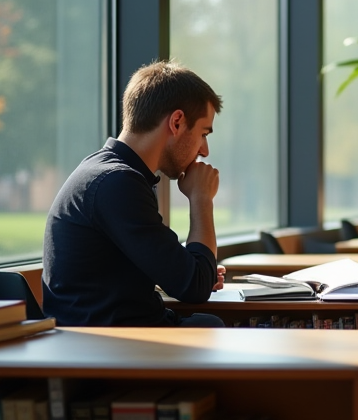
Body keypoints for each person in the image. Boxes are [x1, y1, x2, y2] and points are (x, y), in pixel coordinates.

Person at [42, 60, 228, 327]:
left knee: (208, 324)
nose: (205, 150)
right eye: (203, 133)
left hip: (102, 339)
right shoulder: (117, 183)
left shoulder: (106, 172)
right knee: (211, 327)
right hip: (110, 350)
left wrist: (194, 268)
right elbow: (195, 287)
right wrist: (201, 199)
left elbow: (185, 275)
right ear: (176, 122)